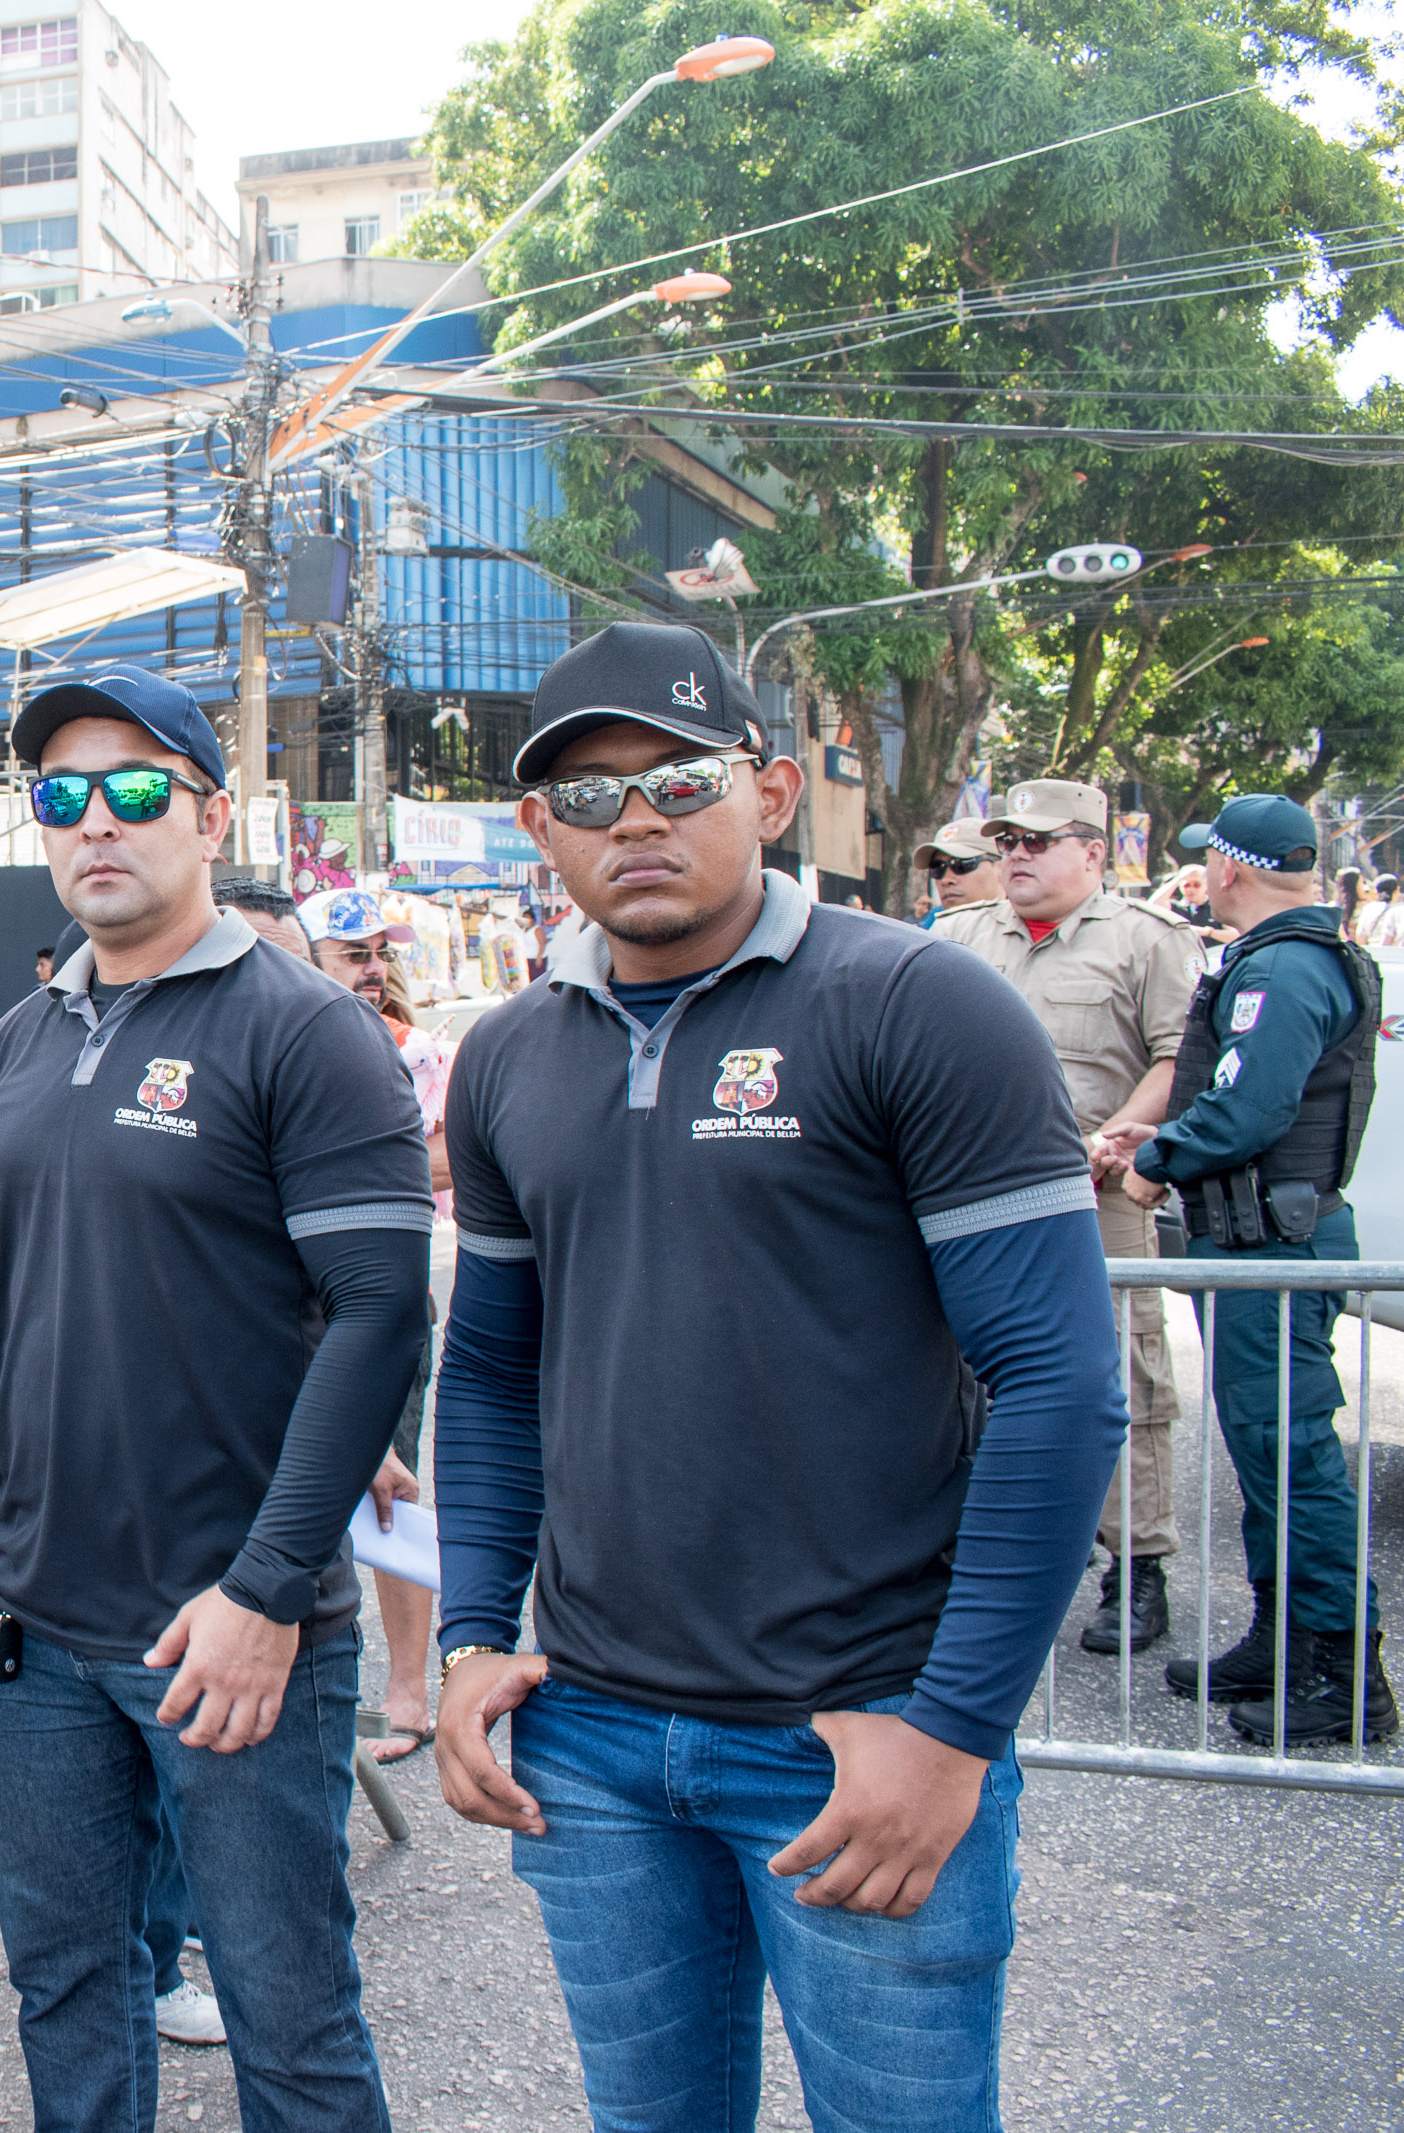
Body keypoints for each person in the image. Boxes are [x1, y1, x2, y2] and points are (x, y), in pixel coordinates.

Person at [431, 621, 1126, 2132]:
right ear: (538, 828)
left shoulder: (917, 1006)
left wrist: (952, 1734)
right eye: (591, 796)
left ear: (772, 788)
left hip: (858, 1732)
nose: (641, 822)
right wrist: (471, 1637)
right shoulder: (503, 1057)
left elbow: (1063, 1386)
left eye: (680, 778)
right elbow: (489, 1372)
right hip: (594, 1741)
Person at [0, 664, 426, 2130]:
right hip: (39, 1624)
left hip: (232, 1629)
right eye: (62, 796)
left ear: (209, 813)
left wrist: (268, 1590)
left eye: (137, 789)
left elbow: (384, 1315)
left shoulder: (304, 1030)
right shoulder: (32, 1033)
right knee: (67, 1986)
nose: (96, 823)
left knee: (287, 2015)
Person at [1099, 795, 1394, 1746]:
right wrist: (1168, 1131)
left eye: (1205, 863)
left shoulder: (1286, 965)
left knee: (1297, 1460)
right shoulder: (1295, 957)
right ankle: (1283, 1638)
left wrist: (1153, 1163)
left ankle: (1346, 1673)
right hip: (1257, 1241)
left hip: (1273, 1247)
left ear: (1228, 868)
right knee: (1269, 1459)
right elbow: (1236, 1101)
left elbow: (1251, 1112)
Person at [937, 780, 1197, 1655]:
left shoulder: (1146, 940)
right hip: (969, 1197)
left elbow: (1178, 1057)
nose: (1017, 854)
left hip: (1094, 1192)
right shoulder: (960, 937)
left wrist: (1124, 1132)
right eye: (1008, 839)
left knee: (1122, 1377)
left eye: (1040, 841)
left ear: (1094, 851)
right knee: (957, 1373)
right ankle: (970, 1554)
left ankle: (1139, 1562)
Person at [303, 891, 444, 1763]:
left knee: (389, 1496)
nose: (372, 967)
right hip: (285, 1311)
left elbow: (450, 1150)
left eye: (378, 952)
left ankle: (405, 1691)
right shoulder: (278, 1031)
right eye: (350, 951)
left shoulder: (415, 1047)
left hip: (380, 1303)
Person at [916, 818, 1003, 925]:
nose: (945, 880)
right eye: (937, 868)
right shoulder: (931, 928)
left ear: (1001, 868)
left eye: (962, 864)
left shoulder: (1026, 929)